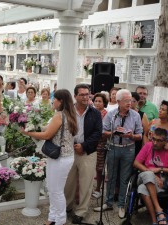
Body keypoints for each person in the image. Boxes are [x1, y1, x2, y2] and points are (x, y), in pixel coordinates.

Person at [20, 89, 78, 225]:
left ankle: (60, 220)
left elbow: (47, 135)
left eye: (55, 99)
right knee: (52, 189)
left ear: (61, 101)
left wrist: (28, 134)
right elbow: (47, 128)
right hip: (63, 157)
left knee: (56, 191)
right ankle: (52, 218)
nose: (53, 101)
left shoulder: (59, 115)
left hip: (60, 158)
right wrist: (34, 125)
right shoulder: (70, 114)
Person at [94, 89, 143, 219]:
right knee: (111, 176)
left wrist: (131, 135)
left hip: (128, 149)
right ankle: (108, 202)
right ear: (119, 101)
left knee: (124, 178)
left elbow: (140, 135)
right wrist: (114, 132)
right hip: (113, 147)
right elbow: (103, 132)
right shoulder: (111, 114)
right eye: (126, 100)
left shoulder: (135, 115)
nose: (129, 103)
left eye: (131, 100)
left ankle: (121, 204)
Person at [65, 84, 102, 224]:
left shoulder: (95, 113)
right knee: (68, 182)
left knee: (86, 183)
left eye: (87, 94)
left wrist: (84, 146)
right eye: (82, 95)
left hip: (88, 152)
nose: (86, 97)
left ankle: (81, 211)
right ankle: (67, 206)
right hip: (69, 151)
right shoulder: (67, 112)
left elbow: (98, 133)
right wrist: (73, 145)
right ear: (75, 96)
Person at [134, 128, 168, 225]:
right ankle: (158, 209)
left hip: (161, 183)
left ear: (165, 141)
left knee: (142, 188)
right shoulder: (148, 146)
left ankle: (154, 221)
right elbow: (136, 163)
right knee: (148, 175)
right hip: (144, 177)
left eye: (159, 140)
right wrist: (152, 175)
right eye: (154, 139)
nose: (155, 143)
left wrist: (161, 169)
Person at [91, 93, 108, 199]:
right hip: (91, 142)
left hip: (101, 143)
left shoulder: (106, 114)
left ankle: (98, 188)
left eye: (99, 101)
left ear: (104, 103)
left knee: (99, 167)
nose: (97, 103)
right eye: (96, 101)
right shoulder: (91, 112)